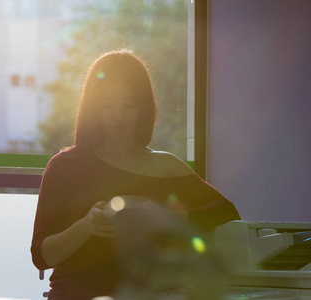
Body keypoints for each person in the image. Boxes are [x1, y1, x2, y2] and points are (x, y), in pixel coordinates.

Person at [30, 50, 240, 300]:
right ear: (93, 108)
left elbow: (225, 211)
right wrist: (87, 225)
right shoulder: (65, 166)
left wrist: (167, 218)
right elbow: (41, 257)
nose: (118, 115)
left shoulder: (165, 166)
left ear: (144, 108)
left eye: (129, 104)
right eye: (108, 105)